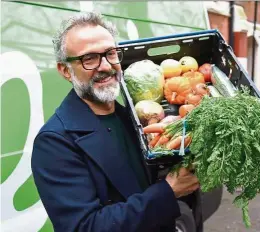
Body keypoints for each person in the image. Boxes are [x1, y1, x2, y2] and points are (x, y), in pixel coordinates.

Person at [31, 12, 201, 232]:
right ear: (65, 70)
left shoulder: (130, 118)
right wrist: (168, 191)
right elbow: (85, 227)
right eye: (89, 58)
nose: (105, 66)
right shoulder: (55, 142)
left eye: (110, 53)